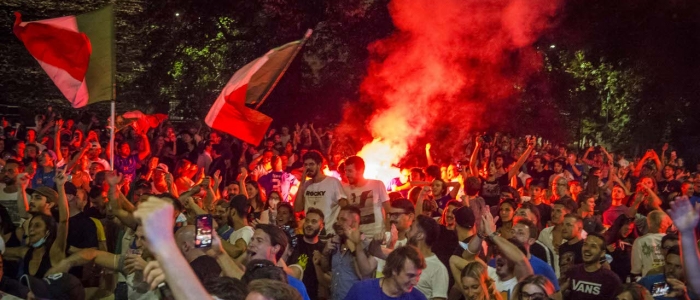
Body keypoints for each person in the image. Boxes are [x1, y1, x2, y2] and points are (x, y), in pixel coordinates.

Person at [344, 245, 428, 300]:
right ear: (394, 270)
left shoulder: (418, 298)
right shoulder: (361, 290)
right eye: (410, 275)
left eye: (418, 275)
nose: (415, 282)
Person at [294, 150, 346, 234]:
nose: (308, 168)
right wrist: (302, 183)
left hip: (329, 233)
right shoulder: (306, 185)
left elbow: (344, 205)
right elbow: (297, 208)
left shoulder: (333, 182)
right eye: (306, 165)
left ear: (319, 165)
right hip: (311, 234)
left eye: (311, 164)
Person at [562, 232, 622, 300]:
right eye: (585, 244)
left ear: (602, 253)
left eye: (593, 246)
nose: (587, 249)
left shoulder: (611, 280)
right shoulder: (572, 272)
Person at [342, 156, 390, 237]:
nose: (347, 174)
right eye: (345, 171)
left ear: (360, 171)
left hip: (377, 235)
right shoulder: (344, 189)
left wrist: (388, 232)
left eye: (350, 171)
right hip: (356, 237)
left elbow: (388, 209)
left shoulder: (377, 184)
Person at [286, 208, 326, 300]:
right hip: (289, 294)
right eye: (307, 221)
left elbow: (325, 280)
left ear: (321, 226)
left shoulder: (323, 249)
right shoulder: (293, 241)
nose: (309, 224)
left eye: (314, 222)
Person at [406, 215, 449, 300]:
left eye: (411, 229)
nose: (407, 233)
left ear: (420, 236)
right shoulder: (404, 257)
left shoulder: (438, 269)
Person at [631, 210, 672, 279]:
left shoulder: (640, 241)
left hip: (649, 281)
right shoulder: (673, 241)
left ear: (648, 223)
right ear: (666, 224)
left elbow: (636, 269)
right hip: (670, 279)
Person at [558, 214, 585, 284]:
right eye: (562, 224)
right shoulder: (562, 248)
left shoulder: (585, 247)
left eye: (568, 225)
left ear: (579, 229)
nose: (564, 228)